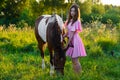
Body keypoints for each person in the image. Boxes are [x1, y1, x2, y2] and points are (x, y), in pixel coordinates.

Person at [63, 4, 87, 74]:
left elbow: (72, 34)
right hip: (71, 40)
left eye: (74, 11)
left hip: (75, 41)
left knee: (75, 60)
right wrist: (63, 36)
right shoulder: (69, 20)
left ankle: (79, 75)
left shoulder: (77, 21)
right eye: (71, 11)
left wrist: (67, 45)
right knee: (73, 60)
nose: (72, 12)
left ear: (77, 12)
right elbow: (68, 32)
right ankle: (75, 74)